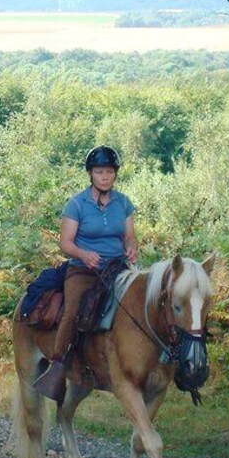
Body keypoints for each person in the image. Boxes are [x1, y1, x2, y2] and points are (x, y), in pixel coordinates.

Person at [34, 145, 137, 402]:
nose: (105, 176)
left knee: (142, 302)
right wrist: (83, 254)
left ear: (115, 174)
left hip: (117, 268)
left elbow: (129, 236)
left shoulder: (123, 203)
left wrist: (132, 247)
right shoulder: (77, 204)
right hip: (83, 269)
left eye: (110, 172)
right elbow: (65, 242)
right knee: (72, 312)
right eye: (100, 171)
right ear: (91, 174)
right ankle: (58, 364)